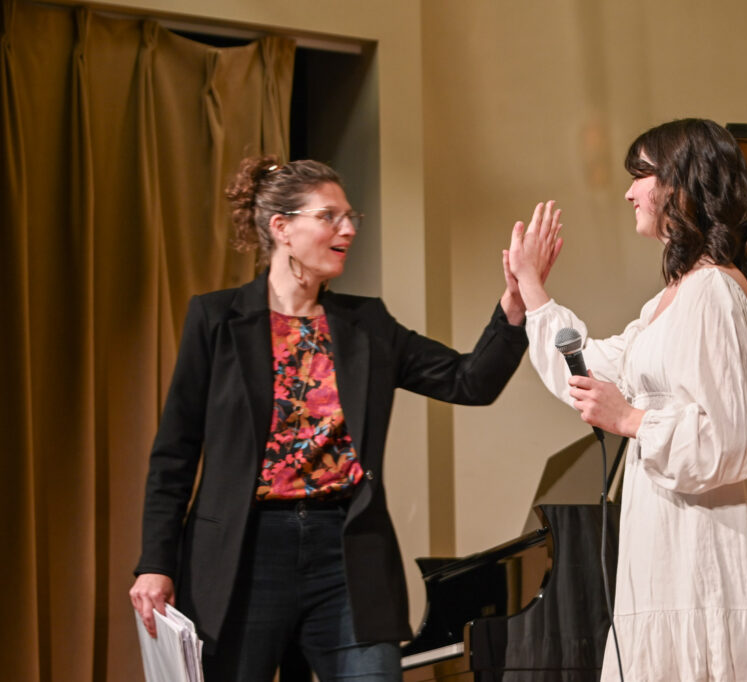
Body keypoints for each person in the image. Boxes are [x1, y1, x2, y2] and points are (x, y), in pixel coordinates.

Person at [129, 156, 533, 681]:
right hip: (245, 554)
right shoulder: (217, 319)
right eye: (329, 216)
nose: (348, 229)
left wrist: (515, 307)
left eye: (350, 217)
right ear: (282, 228)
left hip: (346, 552)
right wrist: (155, 562)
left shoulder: (367, 324)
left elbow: (469, 381)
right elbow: (175, 453)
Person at [505, 118, 747, 681]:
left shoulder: (714, 291)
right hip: (667, 534)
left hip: (709, 541)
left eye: (641, 175)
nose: (628, 193)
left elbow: (727, 444)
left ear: (681, 185)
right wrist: (533, 289)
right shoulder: (668, 301)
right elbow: (588, 368)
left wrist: (630, 419)